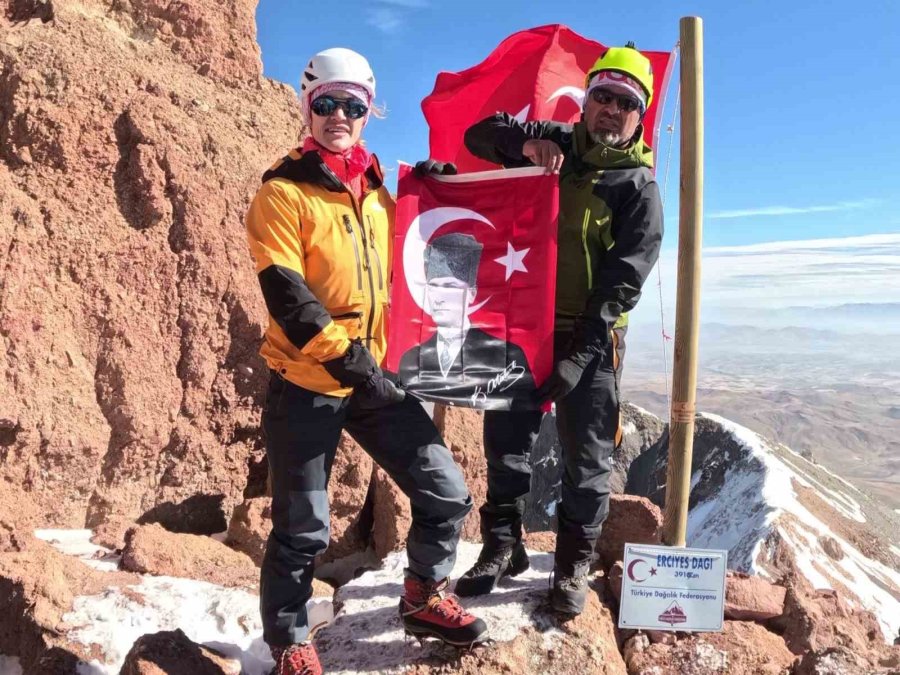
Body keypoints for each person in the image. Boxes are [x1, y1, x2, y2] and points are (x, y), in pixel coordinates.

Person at [245, 47, 487, 674]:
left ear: (368, 112)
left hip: (375, 376)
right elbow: (288, 296)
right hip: (308, 382)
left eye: (352, 105)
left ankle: (423, 593)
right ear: (307, 107)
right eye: (325, 103)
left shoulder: (379, 194)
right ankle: (290, 640)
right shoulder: (283, 192)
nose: (338, 115)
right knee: (302, 528)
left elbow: (426, 248)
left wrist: (436, 190)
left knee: (446, 494)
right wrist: (350, 362)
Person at [453, 44, 663, 614]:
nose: (611, 109)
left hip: (589, 341)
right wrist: (524, 144)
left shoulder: (638, 187)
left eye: (626, 102)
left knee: (588, 458)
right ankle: (502, 545)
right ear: (586, 99)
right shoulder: (557, 142)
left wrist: (578, 354)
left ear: (638, 115)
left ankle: (571, 566)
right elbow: (479, 135)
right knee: (506, 442)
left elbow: (623, 280)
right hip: (522, 322)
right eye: (603, 95)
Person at [399, 232, 535, 409]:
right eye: (433, 286)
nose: (439, 297)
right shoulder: (410, 360)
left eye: (449, 286)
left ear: (472, 293)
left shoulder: (507, 358)